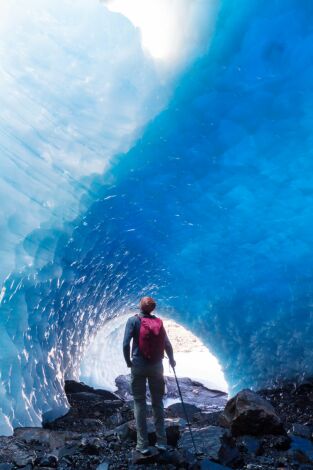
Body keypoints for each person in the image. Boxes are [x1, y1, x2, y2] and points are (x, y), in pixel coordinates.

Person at [123, 296, 176, 455]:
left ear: (140, 306)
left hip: (138, 365)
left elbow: (126, 344)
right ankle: (161, 442)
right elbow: (167, 344)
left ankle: (142, 445)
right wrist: (172, 360)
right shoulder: (158, 322)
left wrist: (128, 362)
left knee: (139, 403)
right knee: (157, 402)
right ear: (152, 309)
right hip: (156, 366)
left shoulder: (133, 321)